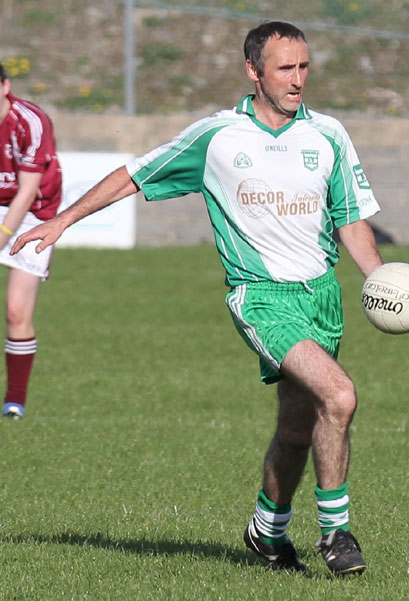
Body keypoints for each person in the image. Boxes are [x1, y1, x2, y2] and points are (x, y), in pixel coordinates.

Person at [11, 22, 383, 574]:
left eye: (304, 67)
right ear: (253, 72)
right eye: (285, 68)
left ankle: (267, 530)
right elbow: (135, 174)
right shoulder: (218, 137)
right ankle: (337, 534)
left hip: (321, 297)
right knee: (341, 396)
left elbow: (351, 223)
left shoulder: (327, 134)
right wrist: (62, 220)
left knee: (297, 426)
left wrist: (379, 282)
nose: (298, 79)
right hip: (260, 298)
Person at [0, 63, 62, 419]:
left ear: (5, 85)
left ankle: (15, 401)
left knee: (16, 310)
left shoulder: (31, 122)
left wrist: (4, 236)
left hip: (33, 212)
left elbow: (27, 191)